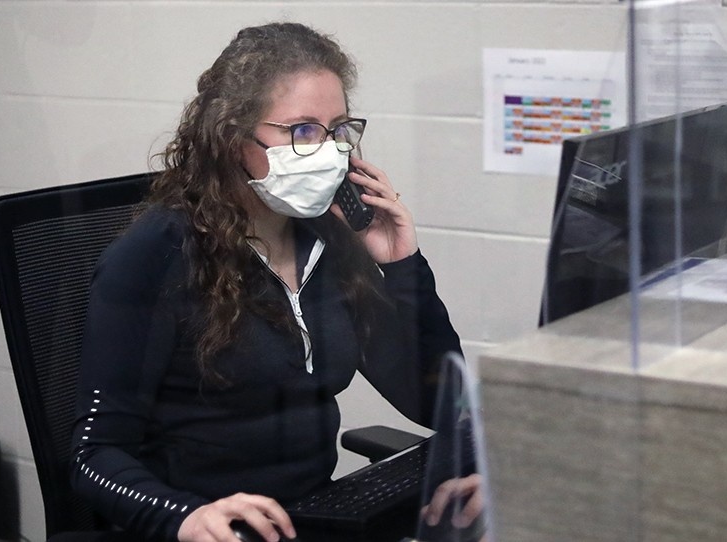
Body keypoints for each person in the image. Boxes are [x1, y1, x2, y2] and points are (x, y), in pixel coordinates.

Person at [69, 22, 462, 542]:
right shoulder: (155, 255)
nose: (329, 151)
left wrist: (401, 266)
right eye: (302, 131)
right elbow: (94, 455)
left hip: (308, 522)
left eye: (339, 129)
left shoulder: (333, 241)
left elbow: (437, 401)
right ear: (234, 138)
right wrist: (185, 516)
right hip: (205, 529)